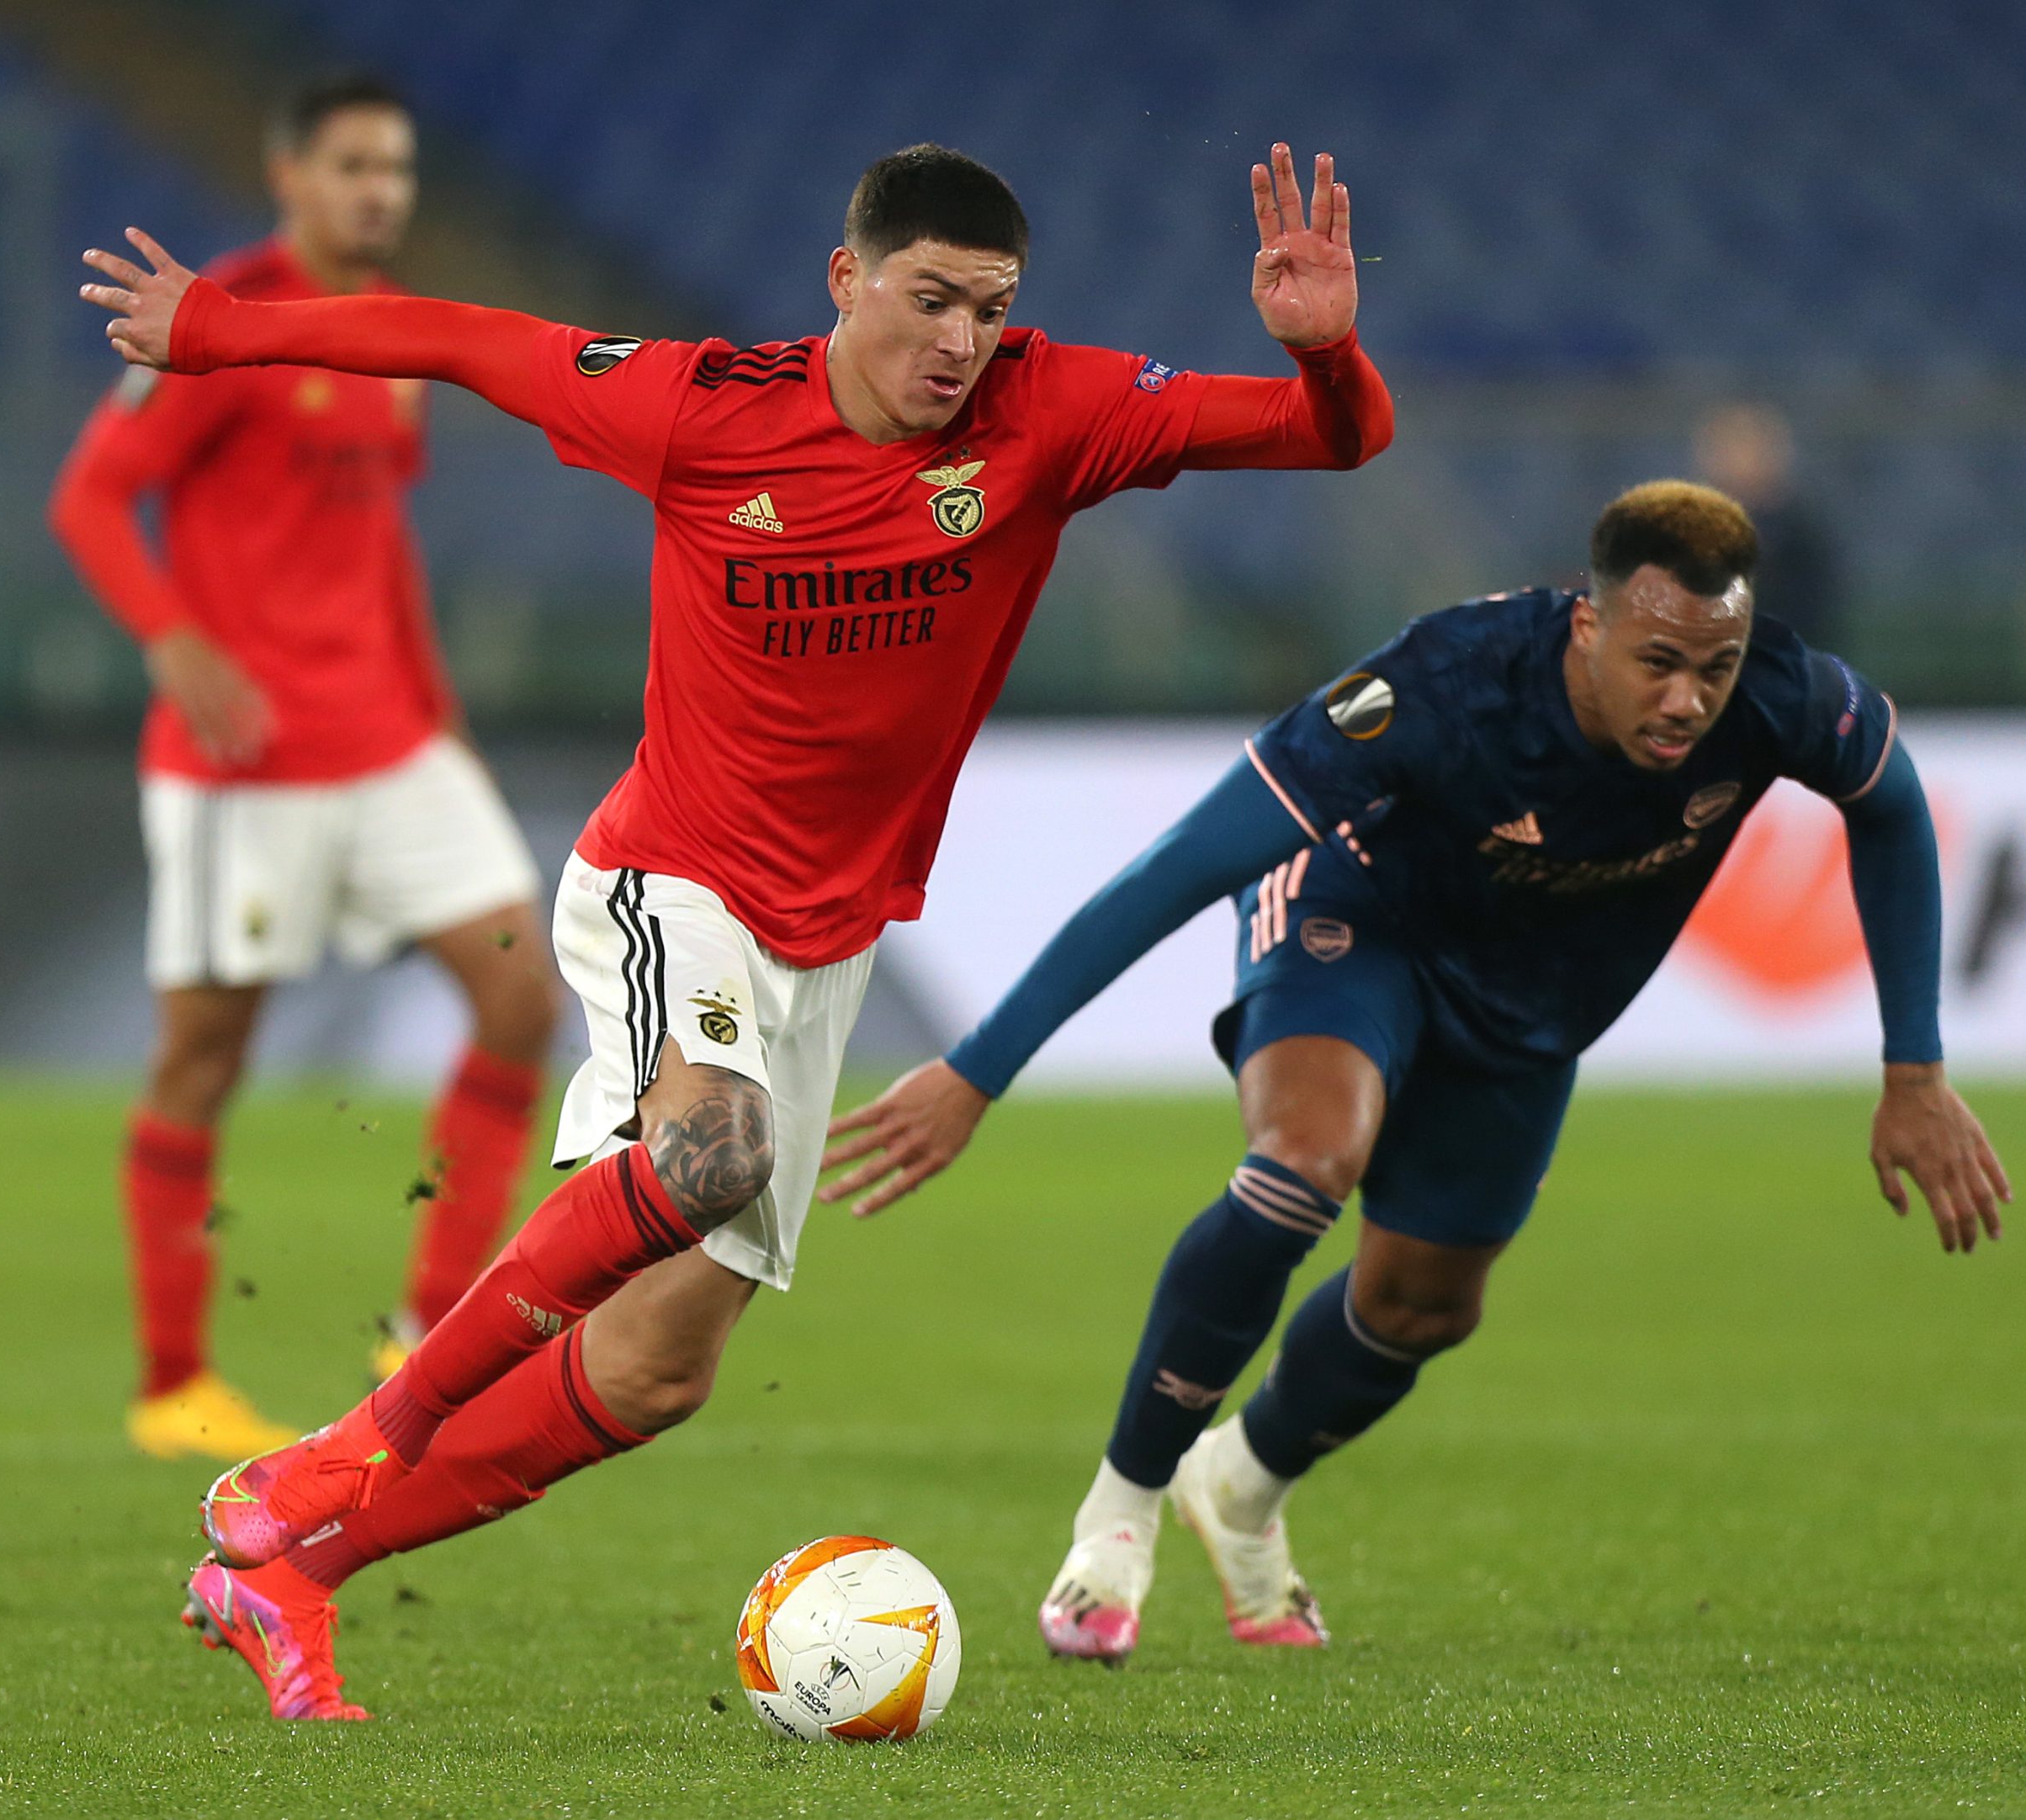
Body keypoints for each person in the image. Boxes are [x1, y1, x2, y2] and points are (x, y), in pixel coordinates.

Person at [80, 141, 1393, 1719]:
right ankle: (347, 1447)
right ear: (847, 284)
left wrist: (1324, 348)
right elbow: (467, 342)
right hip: (668, 881)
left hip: (824, 941)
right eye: (930, 302)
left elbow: (1337, 440)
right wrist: (220, 330)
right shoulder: (702, 408)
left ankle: (289, 1575)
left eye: (988, 309)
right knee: (713, 1152)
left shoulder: (1055, 413)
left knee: (652, 1368)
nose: (961, 342)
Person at [824, 480, 2013, 1663]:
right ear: (1588, 628)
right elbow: (1179, 866)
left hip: (1530, 1005)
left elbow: (1893, 807)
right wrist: (980, 1068)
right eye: (1658, 661)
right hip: (1357, 920)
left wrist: (1915, 1069)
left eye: (1716, 665)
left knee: (1422, 1305)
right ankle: (1119, 1515)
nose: (1689, 699)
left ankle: (1239, 1485)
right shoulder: (1442, 687)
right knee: (1305, 1161)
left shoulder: (1785, 694)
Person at [50, 74, 556, 1466]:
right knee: (205, 1055)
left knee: (519, 991)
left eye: (395, 167)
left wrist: (437, 707)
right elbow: (89, 495)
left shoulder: (396, 342)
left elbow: (374, 537)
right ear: (290, 178)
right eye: (351, 166)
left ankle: (430, 1329)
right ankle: (174, 1381)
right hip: (244, 766)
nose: (380, 191)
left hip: (391, 743)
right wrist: (172, 640)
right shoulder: (218, 323)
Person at [1694, 401, 1843, 645]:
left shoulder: (1801, 536)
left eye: (1750, 447)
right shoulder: (1682, 533)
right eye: (1728, 448)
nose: (1740, 460)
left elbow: (1814, 612)